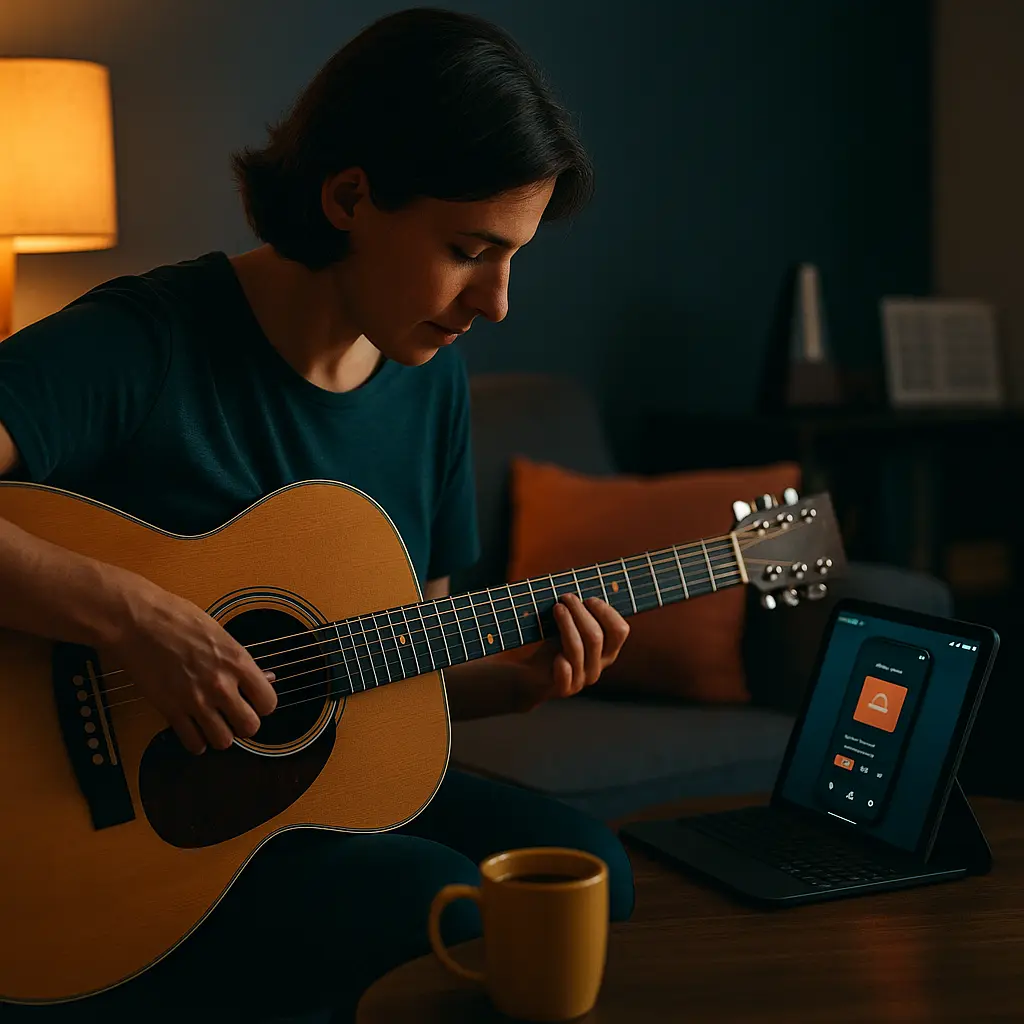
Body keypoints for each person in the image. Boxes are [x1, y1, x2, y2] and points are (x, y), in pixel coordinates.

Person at [0, 7, 636, 1024]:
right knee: (446, 907)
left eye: (513, 255)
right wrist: (132, 616)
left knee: (593, 876)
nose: (497, 301)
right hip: (138, 832)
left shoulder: (430, 383)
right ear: (349, 195)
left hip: (293, 805)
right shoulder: (148, 338)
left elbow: (388, 670)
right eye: (470, 248)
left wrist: (510, 684)